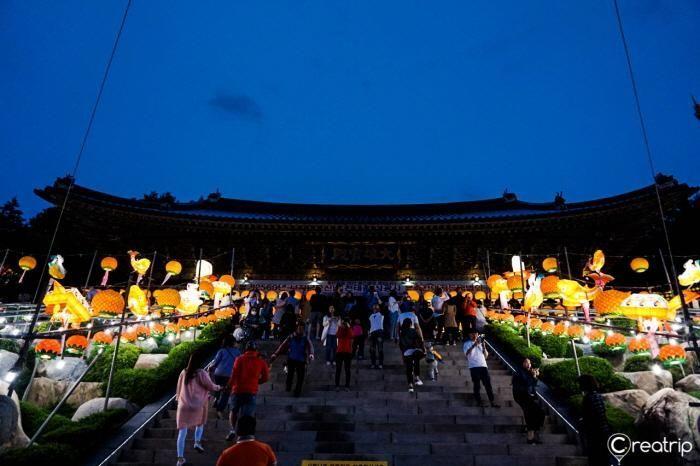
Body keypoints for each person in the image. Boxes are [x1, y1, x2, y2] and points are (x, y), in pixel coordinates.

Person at [175, 350, 221, 466]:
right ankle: (197, 442)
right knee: (200, 423)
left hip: (183, 406)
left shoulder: (184, 372)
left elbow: (178, 388)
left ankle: (180, 459)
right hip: (198, 405)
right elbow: (210, 386)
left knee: (182, 432)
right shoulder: (201, 373)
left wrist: (178, 401)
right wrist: (219, 387)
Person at [226, 341, 270, 441]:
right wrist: (257, 382)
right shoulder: (261, 362)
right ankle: (244, 435)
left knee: (234, 410)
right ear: (256, 350)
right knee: (247, 415)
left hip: (237, 390)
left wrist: (229, 386)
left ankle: (232, 430)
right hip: (251, 391)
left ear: (246, 349)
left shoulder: (239, 359)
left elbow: (234, 374)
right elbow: (266, 378)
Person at [270, 323, 315, 397]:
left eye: (302, 328)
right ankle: (288, 388)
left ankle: (297, 391)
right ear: (296, 328)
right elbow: (283, 346)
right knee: (289, 375)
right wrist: (275, 354)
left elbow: (310, 347)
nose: (300, 329)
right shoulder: (291, 337)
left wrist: (311, 354)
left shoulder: (305, 338)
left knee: (300, 377)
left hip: (301, 360)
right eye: (299, 328)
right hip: (291, 359)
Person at [579, 374, 612, 466]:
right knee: (604, 458)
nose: (579, 386)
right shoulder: (597, 396)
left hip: (596, 434)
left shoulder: (588, 398)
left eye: (581, 383)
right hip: (603, 432)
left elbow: (592, 416)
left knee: (596, 458)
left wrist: (584, 422)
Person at [512, 357, 545, 444]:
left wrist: (535, 376)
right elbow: (526, 383)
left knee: (540, 412)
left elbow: (532, 385)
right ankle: (530, 437)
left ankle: (532, 430)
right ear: (522, 363)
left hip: (529, 396)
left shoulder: (529, 372)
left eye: (530, 363)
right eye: (527, 362)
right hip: (521, 395)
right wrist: (533, 377)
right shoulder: (519, 372)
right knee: (530, 412)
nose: (529, 365)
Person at [463, 332, 499, 408]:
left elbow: (486, 356)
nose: (474, 335)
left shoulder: (481, 344)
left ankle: (492, 402)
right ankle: (479, 402)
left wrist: (484, 346)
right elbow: (467, 354)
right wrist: (474, 345)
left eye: (476, 334)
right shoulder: (467, 343)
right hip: (474, 367)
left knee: (488, 385)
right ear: (469, 335)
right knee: (477, 385)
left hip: (483, 366)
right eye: (472, 334)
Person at [210, 335, 241, 418]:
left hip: (218, 373)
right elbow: (239, 364)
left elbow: (215, 362)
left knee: (218, 387)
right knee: (226, 393)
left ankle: (216, 399)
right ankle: (220, 410)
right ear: (232, 342)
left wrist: (211, 368)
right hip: (229, 375)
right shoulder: (237, 352)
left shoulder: (221, 351)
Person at [399, 318, 425, 392]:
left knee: (409, 368)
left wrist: (403, 355)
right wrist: (423, 349)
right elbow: (420, 340)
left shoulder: (402, 333)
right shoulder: (413, 331)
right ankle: (417, 376)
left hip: (406, 352)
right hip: (414, 350)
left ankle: (410, 385)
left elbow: (401, 345)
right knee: (416, 360)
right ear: (411, 324)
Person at [335, 318, 354, 391]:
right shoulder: (340, 329)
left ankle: (347, 386)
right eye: (344, 323)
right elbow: (338, 335)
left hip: (347, 352)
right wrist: (340, 327)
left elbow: (352, 335)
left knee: (347, 370)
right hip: (339, 352)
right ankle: (337, 385)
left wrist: (348, 327)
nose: (344, 324)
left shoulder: (350, 329)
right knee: (338, 369)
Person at [368, 304, 384, 369]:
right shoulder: (370, 316)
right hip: (372, 334)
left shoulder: (381, 314)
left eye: (376, 307)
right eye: (374, 307)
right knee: (372, 350)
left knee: (380, 349)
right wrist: (368, 333)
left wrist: (377, 297)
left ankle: (380, 364)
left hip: (379, 332)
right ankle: (373, 363)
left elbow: (382, 306)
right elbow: (369, 325)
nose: (374, 308)